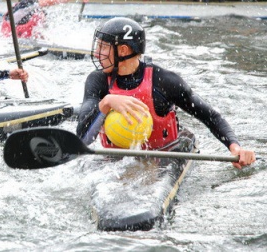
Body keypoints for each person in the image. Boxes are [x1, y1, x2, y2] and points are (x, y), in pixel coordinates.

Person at [76, 17, 256, 170]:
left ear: (123, 50)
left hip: (165, 154)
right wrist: (106, 103)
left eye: (103, 47)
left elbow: (210, 116)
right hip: (114, 161)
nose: (97, 53)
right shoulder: (98, 81)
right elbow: (82, 139)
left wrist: (235, 147)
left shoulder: (164, 81)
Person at [1, 0, 90, 39]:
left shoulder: (39, 13)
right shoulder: (26, 3)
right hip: (9, 42)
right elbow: (51, 0)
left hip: (24, 41)